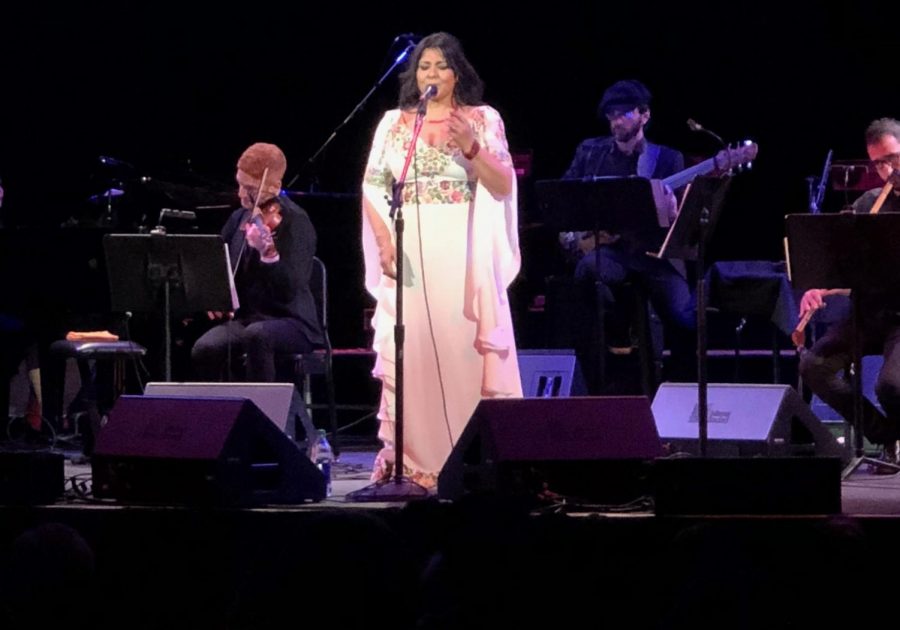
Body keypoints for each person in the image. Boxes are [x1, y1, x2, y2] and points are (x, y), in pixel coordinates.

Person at [361, 32, 522, 489]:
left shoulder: (482, 119)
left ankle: (477, 459)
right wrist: (383, 240)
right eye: (424, 67)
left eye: (441, 66)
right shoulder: (394, 124)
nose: (431, 74)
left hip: (463, 253)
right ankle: (413, 464)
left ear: (457, 73)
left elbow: (504, 185)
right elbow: (373, 186)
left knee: (462, 353)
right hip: (410, 250)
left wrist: (472, 147)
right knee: (415, 356)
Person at [562, 79, 695, 390]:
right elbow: (565, 199)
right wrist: (575, 237)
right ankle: (620, 330)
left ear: (644, 115)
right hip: (611, 252)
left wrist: (671, 213)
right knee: (589, 271)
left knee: (686, 317)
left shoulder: (666, 159)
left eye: (623, 113)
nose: (616, 121)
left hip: (652, 255)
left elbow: (680, 223)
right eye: (611, 115)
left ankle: (676, 393)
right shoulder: (590, 152)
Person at [798, 117, 900, 462]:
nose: (887, 171)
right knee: (813, 366)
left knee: (890, 385)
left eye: (893, 159)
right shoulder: (867, 204)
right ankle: (888, 437)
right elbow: (842, 267)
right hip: (868, 314)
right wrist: (818, 288)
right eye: (879, 164)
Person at [191, 142, 324, 385]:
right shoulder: (238, 218)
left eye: (249, 188)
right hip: (248, 320)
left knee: (257, 336)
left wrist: (268, 252)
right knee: (205, 347)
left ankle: (263, 416)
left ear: (274, 187)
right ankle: (221, 417)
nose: (241, 194)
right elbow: (221, 266)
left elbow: (289, 290)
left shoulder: (296, 222)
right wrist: (215, 296)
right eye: (240, 184)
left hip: (292, 322)